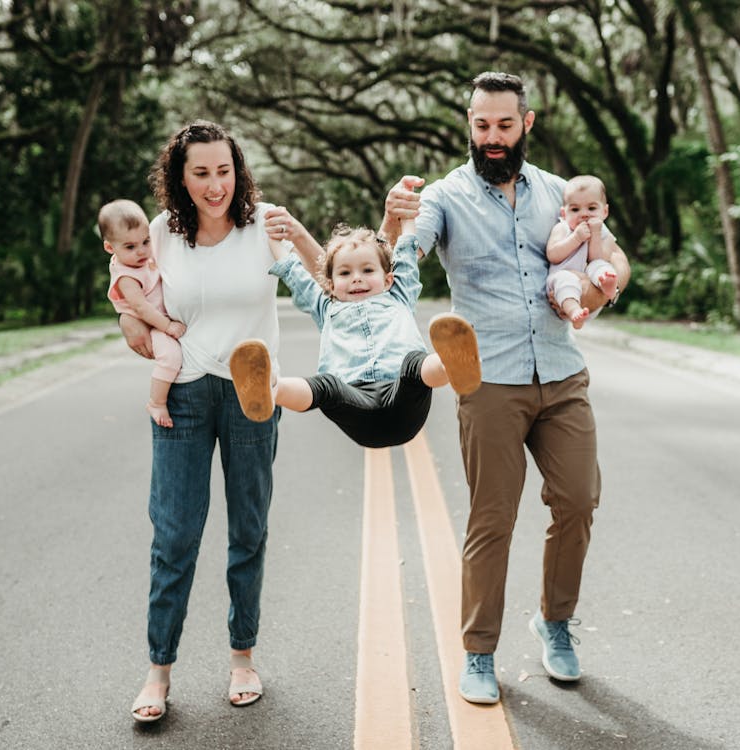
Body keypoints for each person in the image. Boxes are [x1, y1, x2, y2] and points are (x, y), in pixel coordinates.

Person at [381, 72, 630, 704]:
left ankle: (554, 622)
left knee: (577, 501)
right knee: (493, 519)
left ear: (528, 123)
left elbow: (612, 260)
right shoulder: (442, 197)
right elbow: (403, 259)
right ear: (469, 124)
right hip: (488, 378)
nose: (492, 138)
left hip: (561, 371)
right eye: (480, 125)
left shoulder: (561, 193)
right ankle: (479, 653)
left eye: (504, 125)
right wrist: (391, 227)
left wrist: (603, 286)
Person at [119, 120, 317, 722]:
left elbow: (326, 281)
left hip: (253, 393)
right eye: (200, 173)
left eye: (224, 171)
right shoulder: (160, 234)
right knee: (175, 532)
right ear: (180, 178)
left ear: (239, 170)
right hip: (182, 394)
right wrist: (140, 337)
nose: (215, 185)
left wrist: (301, 233)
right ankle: (159, 672)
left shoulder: (265, 226)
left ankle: (242, 658)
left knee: (247, 530)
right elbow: (127, 293)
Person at [228, 215, 482, 448]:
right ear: (330, 284)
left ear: (388, 279)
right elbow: (294, 273)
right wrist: (274, 240)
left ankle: (451, 362)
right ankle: (269, 389)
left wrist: (407, 220)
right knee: (327, 386)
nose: (356, 278)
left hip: (402, 399)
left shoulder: (399, 295)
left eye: (367, 270)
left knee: (414, 365)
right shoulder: (325, 307)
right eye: (345, 273)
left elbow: (406, 253)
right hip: (355, 403)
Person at [99, 199, 185, 427]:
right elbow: (140, 307)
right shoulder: (126, 275)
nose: (141, 251)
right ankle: (157, 402)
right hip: (152, 324)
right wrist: (166, 326)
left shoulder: (144, 257)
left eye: (145, 242)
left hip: (160, 319)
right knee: (170, 357)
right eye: (130, 247)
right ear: (110, 248)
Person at [545, 174, 619, 328]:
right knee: (565, 279)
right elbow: (553, 255)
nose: (584, 214)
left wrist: (596, 235)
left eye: (592, 208)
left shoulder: (603, 233)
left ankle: (608, 285)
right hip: (562, 285)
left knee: (602, 266)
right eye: (575, 209)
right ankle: (574, 313)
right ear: (564, 214)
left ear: (604, 212)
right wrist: (576, 239)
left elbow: (596, 259)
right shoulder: (563, 228)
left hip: (591, 287)